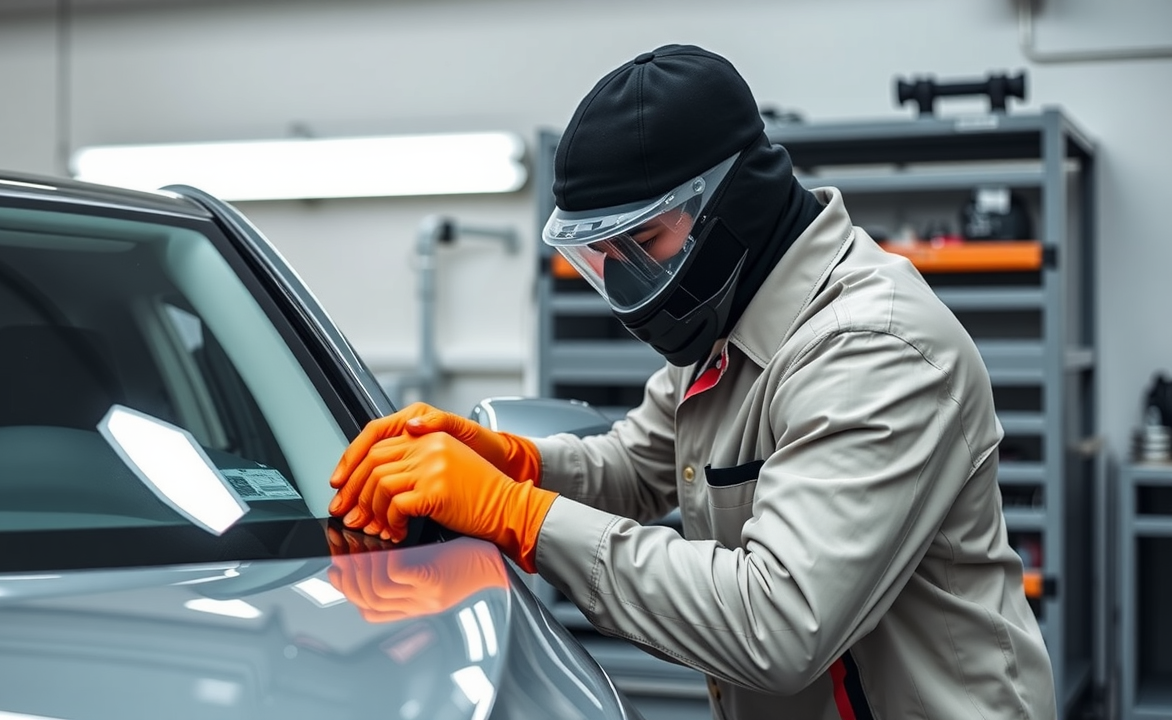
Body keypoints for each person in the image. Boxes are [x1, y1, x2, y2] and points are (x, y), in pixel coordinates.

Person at [328, 44, 1055, 719]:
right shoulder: (728, 317)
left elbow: (777, 622)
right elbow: (638, 467)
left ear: (732, 202)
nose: (626, 280)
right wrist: (516, 463)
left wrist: (519, 514)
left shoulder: (871, 350)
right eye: (603, 257)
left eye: (644, 243)